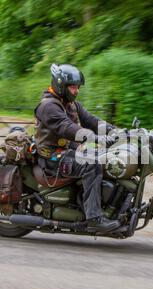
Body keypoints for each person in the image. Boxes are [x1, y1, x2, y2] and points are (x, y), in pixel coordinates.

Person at [34, 63, 120, 232]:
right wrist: (94, 137)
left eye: (78, 87)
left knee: (107, 157)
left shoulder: (71, 104)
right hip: (52, 159)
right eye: (73, 87)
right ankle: (94, 218)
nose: (76, 90)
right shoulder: (48, 106)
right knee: (92, 164)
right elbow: (67, 127)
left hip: (69, 153)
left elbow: (92, 121)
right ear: (60, 85)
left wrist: (119, 132)